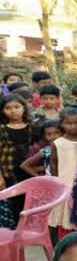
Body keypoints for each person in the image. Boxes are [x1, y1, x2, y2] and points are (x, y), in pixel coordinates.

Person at [0, 93, 33, 227]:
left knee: (30, 198)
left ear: (24, 107)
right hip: (9, 171)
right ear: (3, 111)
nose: (13, 110)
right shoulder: (2, 129)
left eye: (16, 106)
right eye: (8, 108)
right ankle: (15, 229)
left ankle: (30, 227)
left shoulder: (32, 127)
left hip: (30, 170)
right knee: (13, 199)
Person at [49, 108, 77, 236]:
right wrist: (57, 186)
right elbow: (54, 166)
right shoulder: (58, 143)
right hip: (65, 186)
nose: (73, 126)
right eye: (68, 123)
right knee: (62, 221)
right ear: (61, 124)